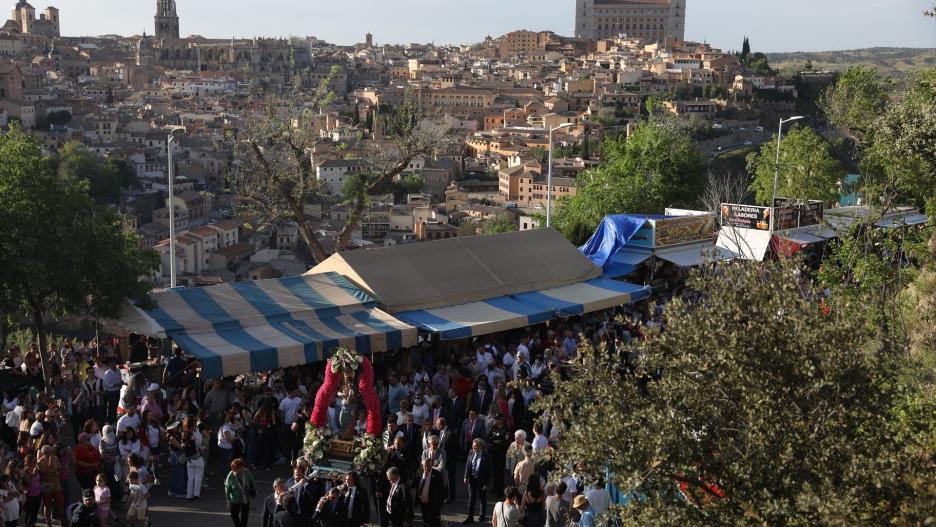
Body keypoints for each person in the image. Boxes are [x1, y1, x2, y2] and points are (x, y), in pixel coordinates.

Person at [463, 438, 491, 525]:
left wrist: (487, 483)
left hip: (481, 481)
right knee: (471, 499)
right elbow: (468, 465)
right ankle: (470, 517)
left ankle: (482, 516)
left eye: (475, 446)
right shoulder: (471, 452)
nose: (473, 448)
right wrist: (465, 476)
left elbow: (489, 471)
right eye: (473, 446)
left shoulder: (486, 456)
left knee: (482, 499)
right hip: (472, 480)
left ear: (480, 447)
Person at [224, 458, 257, 527]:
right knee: (234, 515)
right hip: (235, 499)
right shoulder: (230, 476)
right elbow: (227, 489)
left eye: (243, 467)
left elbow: (253, 481)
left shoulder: (246, 472)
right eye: (241, 468)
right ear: (235, 469)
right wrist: (228, 502)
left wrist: (254, 489)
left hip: (246, 498)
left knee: (244, 515)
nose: (243, 469)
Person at [37, 445, 63, 527]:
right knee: (47, 505)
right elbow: (47, 473)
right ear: (45, 453)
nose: (52, 453)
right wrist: (50, 462)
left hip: (57, 485)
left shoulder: (55, 458)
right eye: (50, 452)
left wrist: (58, 472)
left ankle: (62, 521)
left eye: (52, 451)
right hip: (47, 487)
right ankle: (48, 522)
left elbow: (59, 468)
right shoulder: (39, 462)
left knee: (60, 504)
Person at [415, 458, 445, 527]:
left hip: (433, 502)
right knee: (425, 520)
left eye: (428, 466)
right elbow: (416, 484)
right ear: (422, 465)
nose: (426, 468)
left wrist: (440, 504)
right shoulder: (419, 472)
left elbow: (441, 490)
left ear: (431, 465)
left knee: (434, 521)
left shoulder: (437, 475)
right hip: (422, 502)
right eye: (425, 465)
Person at [182, 429, 204, 500]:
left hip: (189, 461)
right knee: (198, 478)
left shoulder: (183, 443)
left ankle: (189, 495)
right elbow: (201, 448)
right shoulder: (195, 441)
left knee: (190, 478)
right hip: (198, 459)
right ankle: (196, 494)